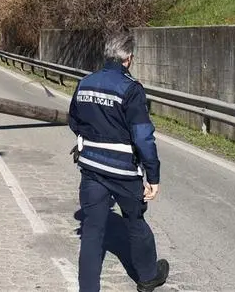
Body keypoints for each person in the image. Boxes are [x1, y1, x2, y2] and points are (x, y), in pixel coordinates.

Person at [68, 30, 169, 292]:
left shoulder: (85, 83)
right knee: (135, 221)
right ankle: (148, 277)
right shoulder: (130, 88)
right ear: (128, 58)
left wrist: (91, 140)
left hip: (91, 169)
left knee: (92, 234)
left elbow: (74, 121)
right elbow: (143, 137)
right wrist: (153, 177)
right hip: (123, 172)